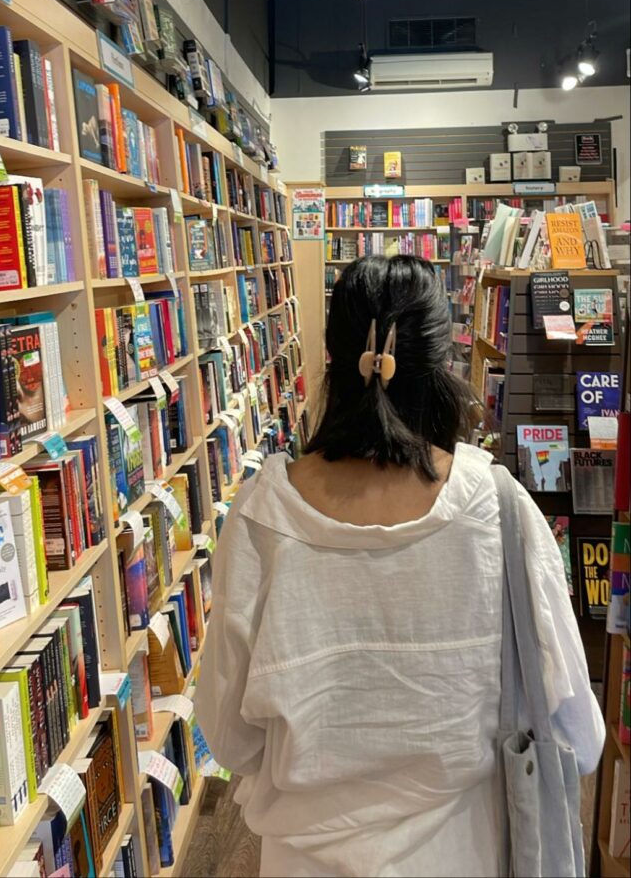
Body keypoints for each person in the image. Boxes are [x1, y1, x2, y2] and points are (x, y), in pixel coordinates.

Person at [195, 256, 605, 878]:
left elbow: (229, 739)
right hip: (470, 854)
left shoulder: (261, 517)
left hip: (302, 861)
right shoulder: (500, 509)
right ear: (442, 366)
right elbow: (580, 737)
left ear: (332, 359)